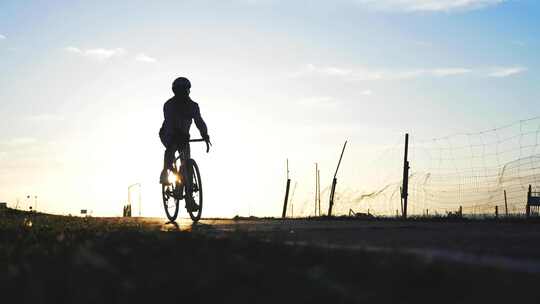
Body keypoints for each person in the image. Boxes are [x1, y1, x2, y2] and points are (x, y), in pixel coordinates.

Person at [159, 77, 211, 210]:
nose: (182, 95)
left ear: (188, 91)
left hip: (184, 137)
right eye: (179, 92)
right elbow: (169, 123)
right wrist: (175, 136)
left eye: (185, 91)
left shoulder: (193, 106)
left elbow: (199, 122)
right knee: (171, 149)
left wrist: (205, 134)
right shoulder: (169, 105)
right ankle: (166, 172)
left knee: (186, 163)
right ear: (175, 92)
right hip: (168, 133)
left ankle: (189, 199)